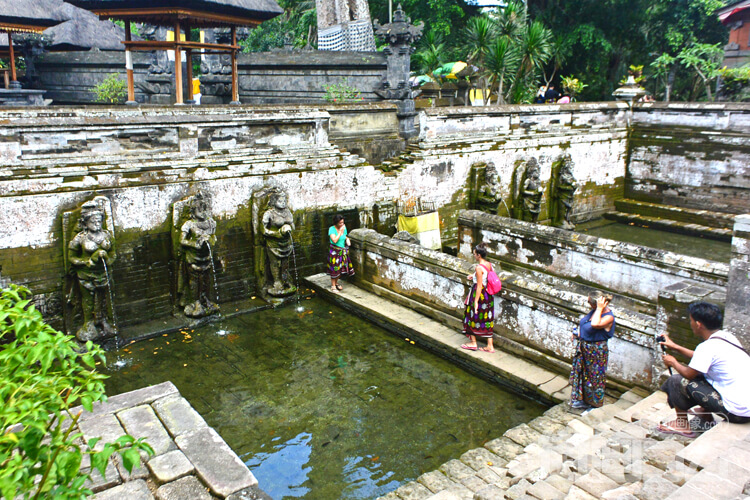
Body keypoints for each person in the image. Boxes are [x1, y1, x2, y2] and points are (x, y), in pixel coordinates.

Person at [659, 302, 750, 437]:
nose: (690, 324)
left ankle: (681, 424)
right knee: (704, 373)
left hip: (737, 414)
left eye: (691, 320)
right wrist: (676, 347)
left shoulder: (706, 347)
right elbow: (702, 359)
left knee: (675, 381)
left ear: (698, 324)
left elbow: (688, 374)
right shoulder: (727, 337)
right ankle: (705, 414)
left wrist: (673, 362)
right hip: (747, 409)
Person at [68, 201, 116, 341]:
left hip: (104, 273)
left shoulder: (106, 235)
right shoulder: (80, 238)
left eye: (99, 220)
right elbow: (71, 258)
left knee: (103, 298)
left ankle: (102, 320)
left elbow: (114, 253)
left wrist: (109, 260)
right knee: (88, 299)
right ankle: (88, 323)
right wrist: (85, 262)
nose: (97, 223)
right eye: (93, 221)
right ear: (86, 222)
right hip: (86, 274)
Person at [569, 291, 615, 409]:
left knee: (596, 378)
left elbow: (595, 324)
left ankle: (595, 404)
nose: (588, 304)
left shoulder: (608, 317)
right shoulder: (594, 312)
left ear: (596, 304)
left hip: (597, 352)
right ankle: (583, 400)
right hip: (585, 349)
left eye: (589, 302)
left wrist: (600, 309)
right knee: (584, 375)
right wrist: (578, 333)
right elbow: (585, 325)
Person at [461, 243, 496, 353]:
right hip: (488, 296)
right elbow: (486, 275)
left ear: (479, 255)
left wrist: (475, 301)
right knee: (487, 318)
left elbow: (479, 285)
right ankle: (490, 345)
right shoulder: (489, 264)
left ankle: (473, 342)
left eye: (475, 254)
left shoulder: (478, 268)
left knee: (472, 315)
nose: (474, 256)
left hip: (480, 295)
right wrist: (474, 276)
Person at [261, 190, 295, 296]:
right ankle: (276, 281)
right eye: (280, 200)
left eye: (284, 200)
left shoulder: (287, 212)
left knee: (285, 262)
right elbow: (263, 230)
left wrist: (289, 228)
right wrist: (276, 233)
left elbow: (293, 225)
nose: (283, 203)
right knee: (275, 262)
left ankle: (285, 279)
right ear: (274, 201)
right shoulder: (269, 214)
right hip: (274, 242)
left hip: (286, 241)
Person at [328, 214, 354, 293]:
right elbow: (335, 240)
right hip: (334, 252)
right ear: (336, 223)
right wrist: (340, 232)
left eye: (342, 222)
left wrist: (347, 239)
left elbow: (344, 236)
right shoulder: (332, 229)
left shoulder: (344, 227)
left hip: (342, 251)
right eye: (340, 223)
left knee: (341, 269)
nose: (342, 224)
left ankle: (336, 283)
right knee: (335, 269)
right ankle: (333, 286)